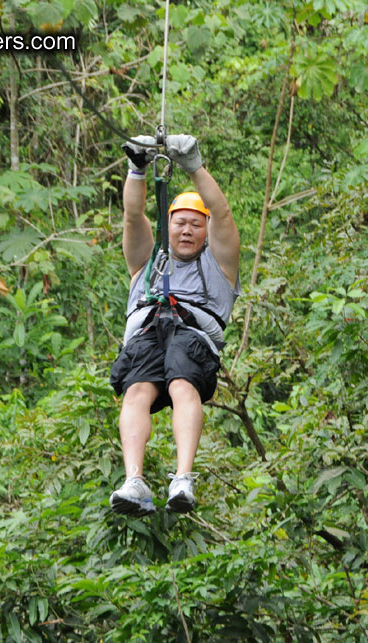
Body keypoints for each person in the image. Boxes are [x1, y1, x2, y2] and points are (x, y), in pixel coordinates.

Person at [109, 134, 241, 515]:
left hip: (191, 336)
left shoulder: (220, 265)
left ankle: (183, 477)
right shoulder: (146, 262)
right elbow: (133, 217)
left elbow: (225, 216)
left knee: (183, 383)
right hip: (147, 334)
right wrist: (137, 169)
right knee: (136, 392)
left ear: (206, 230)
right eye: (179, 223)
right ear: (167, 227)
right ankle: (133, 479)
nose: (186, 230)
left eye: (196, 225)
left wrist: (194, 167)